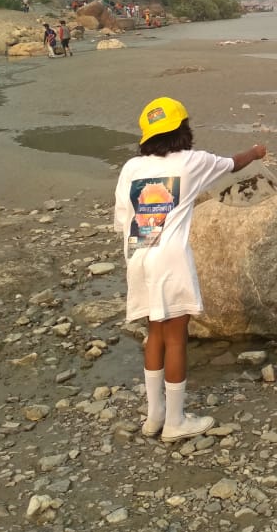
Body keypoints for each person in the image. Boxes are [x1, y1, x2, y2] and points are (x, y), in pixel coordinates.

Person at [114, 97, 267, 443]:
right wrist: (256, 152)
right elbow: (234, 163)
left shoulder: (131, 169)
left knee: (154, 332)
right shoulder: (193, 162)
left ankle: (154, 416)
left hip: (138, 255)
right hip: (170, 259)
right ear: (183, 128)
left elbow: (123, 220)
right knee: (175, 337)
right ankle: (176, 420)